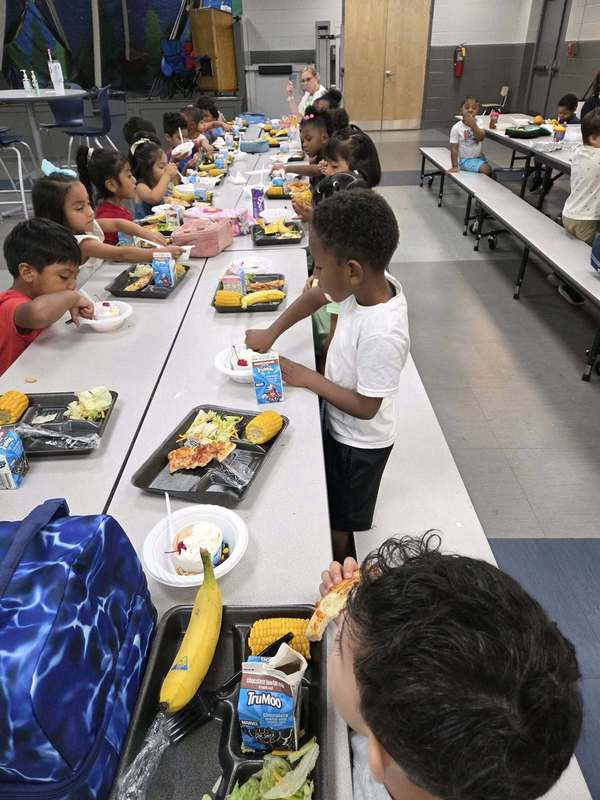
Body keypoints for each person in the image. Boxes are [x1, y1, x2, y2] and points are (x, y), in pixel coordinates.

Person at [320, 532, 583, 800]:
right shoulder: (496, 766)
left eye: (338, 644)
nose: (338, 635)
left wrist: (353, 635)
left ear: (378, 755)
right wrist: (356, 620)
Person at [246, 190, 410, 561]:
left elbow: (367, 407)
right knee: (328, 492)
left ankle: (340, 563)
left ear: (352, 270)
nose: (314, 275)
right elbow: (316, 297)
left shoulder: (383, 329)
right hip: (339, 419)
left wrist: (307, 377)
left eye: (318, 266)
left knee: (341, 514)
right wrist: (272, 333)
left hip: (361, 445)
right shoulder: (364, 284)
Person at [32, 172, 182, 286]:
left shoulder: (83, 226)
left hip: (98, 283)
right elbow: (123, 254)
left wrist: (148, 234)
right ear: (54, 215)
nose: (90, 212)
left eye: (88, 204)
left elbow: (118, 224)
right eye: (79, 208)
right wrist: (160, 253)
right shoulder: (79, 243)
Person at [0, 219, 94, 375]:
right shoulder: (9, 304)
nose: (72, 285)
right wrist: (72, 298)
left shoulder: (44, 295)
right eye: (64, 277)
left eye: (75, 277)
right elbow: (39, 313)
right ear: (27, 272)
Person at [75, 147, 166, 246]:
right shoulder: (108, 218)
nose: (134, 180)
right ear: (111, 185)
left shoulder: (117, 209)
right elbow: (116, 256)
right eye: (129, 176)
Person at [529, 93, 581, 192]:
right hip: (555, 144)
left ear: (573, 110)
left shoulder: (576, 123)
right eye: (559, 113)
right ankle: (538, 175)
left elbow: (573, 139)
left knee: (549, 160)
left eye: (564, 113)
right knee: (538, 153)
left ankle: (546, 180)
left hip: (566, 149)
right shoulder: (561, 119)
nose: (561, 115)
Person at [128, 134, 180, 217]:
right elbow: (154, 198)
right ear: (146, 170)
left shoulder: (159, 181)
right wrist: (166, 176)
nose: (166, 168)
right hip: (145, 227)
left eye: (166, 164)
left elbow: (175, 188)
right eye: (161, 166)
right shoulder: (140, 186)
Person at [449, 96, 491, 175]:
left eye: (474, 108)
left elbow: (481, 137)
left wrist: (473, 125)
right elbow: (454, 148)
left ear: (477, 110)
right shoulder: (456, 127)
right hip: (465, 160)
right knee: (486, 170)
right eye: (467, 107)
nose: (470, 110)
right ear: (461, 110)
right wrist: (454, 165)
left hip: (479, 157)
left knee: (492, 174)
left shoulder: (479, 122)